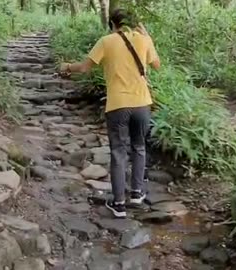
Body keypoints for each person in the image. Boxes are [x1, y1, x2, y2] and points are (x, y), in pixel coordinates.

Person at [59, 8, 161, 218]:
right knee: (139, 147)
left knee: (118, 152)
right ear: (131, 24)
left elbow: (85, 68)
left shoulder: (106, 41)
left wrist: (68, 66)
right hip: (142, 104)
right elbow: (157, 65)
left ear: (112, 24)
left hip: (118, 105)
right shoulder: (143, 39)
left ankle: (119, 204)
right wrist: (149, 39)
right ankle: (137, 193)